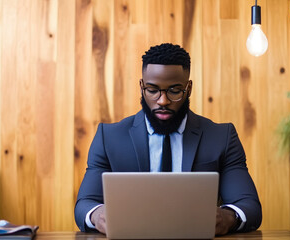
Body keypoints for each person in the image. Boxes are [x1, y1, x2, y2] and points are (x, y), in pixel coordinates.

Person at [74, 43, 262, 235]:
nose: (162, 101)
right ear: (141, 87)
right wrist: (97, 215)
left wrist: (229, 217)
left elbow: (249, 206)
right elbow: (84, 205)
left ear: (188, 88)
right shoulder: (109, 137)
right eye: (153, 90)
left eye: (174, 90)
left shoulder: (221, 137)